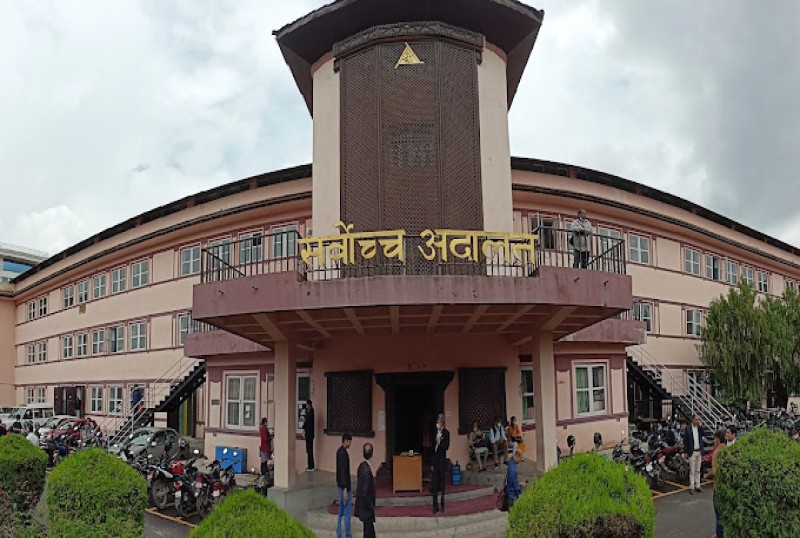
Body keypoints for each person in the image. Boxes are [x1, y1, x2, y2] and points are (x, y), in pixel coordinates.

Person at [706, 430, 727, 538]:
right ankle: (721, 533)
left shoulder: (716, 452)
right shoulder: (727, 450)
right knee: (724, 513)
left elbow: (714, 471)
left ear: (718, 439)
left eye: (715, 438)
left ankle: (720, 535)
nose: (714, 441)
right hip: (726, 485)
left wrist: (707, 474)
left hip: (718, 486)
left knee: (718, 514)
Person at [355, 443, 376, 538]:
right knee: (368, 532)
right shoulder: (367, 471)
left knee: (368, 531)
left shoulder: (361, 466)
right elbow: (365, 492)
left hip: (362, 507)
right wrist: (370, 505)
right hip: (366, 508)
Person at [431, 413, 450, 514]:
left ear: (442, 423)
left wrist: (439, 442)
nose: (437, 424)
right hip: (435, 461)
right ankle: (435, 506)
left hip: (442, 461)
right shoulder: (435, 433)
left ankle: (442, 504)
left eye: (439, 422)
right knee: (434, 484)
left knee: (442, 485)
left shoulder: (446, 433)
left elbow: (446, 447)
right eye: (437, 422)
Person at [683, 414, 706, 494]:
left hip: (699, 451)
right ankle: (692, 486)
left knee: (698, 470)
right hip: (691, 451)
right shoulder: (688, 428)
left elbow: (704, 434)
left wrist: (701, 427)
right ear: (692, 420)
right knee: (692, 470)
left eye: (698, 419)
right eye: (696, 419)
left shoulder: (699, 428)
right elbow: (685, 440)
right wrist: (685, 451)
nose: (697, 421)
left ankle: (698, 486)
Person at [336, 433, 353, 538]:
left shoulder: (339, 451)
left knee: (341, 511)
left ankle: (339, 534)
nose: (350, 444)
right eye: (349, 442)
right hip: (345, 487)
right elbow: (343, 472)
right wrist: (345, 489)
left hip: (341, 486)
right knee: (347, 512)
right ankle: (348, 535)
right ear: (345, 441)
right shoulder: (343, 454)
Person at [303, 399, 316, 471]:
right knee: (308, 450)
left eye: (307, 404)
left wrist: (303, 428)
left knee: (310, 450)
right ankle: (310, 466)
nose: (306, 406)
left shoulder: (310, 413)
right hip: (308, 434)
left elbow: (306, 422)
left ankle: (310, 466)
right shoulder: (308, 412)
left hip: (309, 434)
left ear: (309, 405)